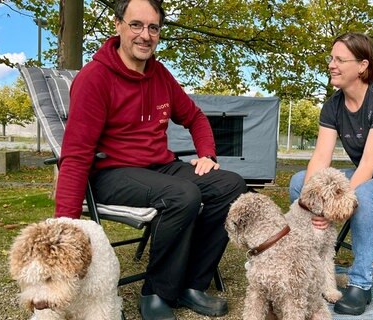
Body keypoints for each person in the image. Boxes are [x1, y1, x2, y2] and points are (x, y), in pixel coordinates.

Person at [54, 0, 247, 319]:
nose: (145, 35)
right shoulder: (95, 78)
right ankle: (156, 293)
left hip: (159, 167)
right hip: (110, 172)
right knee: (183, 195)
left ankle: (191, 285)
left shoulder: (160, 75)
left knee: (231, 185)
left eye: (153, 27)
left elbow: (195, 117)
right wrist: (65, 225)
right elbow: (75, 155)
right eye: (136, 25)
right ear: (118, 26)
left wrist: (207, 154)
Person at [289, 32, 373, 316]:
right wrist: (311, 199)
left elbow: (366, 167)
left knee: (362, 195)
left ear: (363, 66)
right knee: (298, 181)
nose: (331, 64)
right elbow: (320, 158)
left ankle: (360, 285)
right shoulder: (333, 105)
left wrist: (327, 208)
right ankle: (310, 265)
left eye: (340, 59)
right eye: (331, 58)